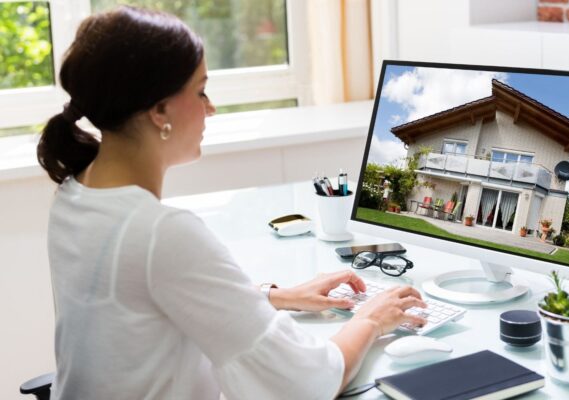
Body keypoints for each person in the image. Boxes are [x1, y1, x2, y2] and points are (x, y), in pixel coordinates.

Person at [37, 7, 426, 400]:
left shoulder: (73, 193)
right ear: (159, 110)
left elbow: (137, 307)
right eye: (200, 90)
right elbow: (304, 382)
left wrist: (275, 297)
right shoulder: (160, 233)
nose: (211, 108)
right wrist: (370, 319)